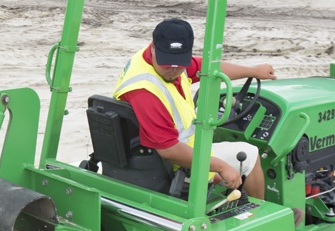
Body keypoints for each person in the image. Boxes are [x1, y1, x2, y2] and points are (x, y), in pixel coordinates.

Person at [114, 18, 275, 200]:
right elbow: (169, 150)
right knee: (251, 154)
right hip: (174, 164)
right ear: (153, 48)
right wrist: (221, 166)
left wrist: (253, 71)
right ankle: (259, 214)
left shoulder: (152, 60)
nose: (174, 70)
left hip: (155, 156)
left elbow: (209, 69)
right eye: (168, 63)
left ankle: (224, 190)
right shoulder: (145, 92)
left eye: (179, 63)